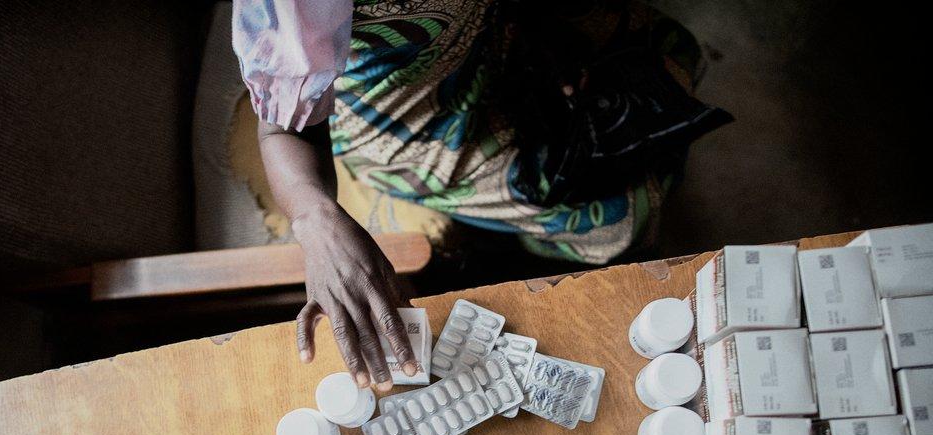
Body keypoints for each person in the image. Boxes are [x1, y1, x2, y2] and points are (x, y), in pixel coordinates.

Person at [233, 0, 728, 390]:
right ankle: (505, 238)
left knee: (671, 52)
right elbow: (283, 133)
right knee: (620, 220)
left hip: (495, 34)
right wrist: (316, 219)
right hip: (404, 114)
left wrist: (538, 30)